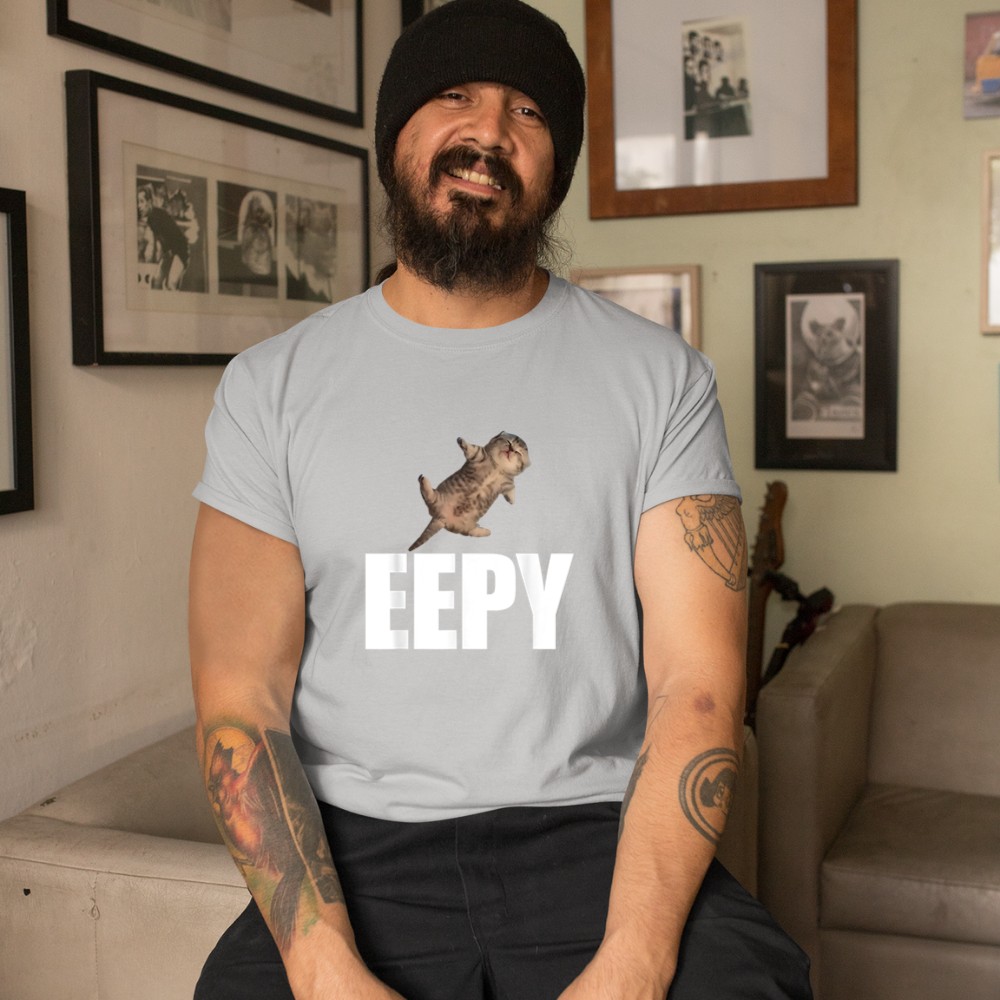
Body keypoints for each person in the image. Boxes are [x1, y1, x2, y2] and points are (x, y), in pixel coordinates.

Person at [188, 2, 813, 999]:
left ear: (555, 168)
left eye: (527, 111)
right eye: (453, 97)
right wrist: (321, 967)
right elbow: (240, 697)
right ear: (395, 138)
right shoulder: (270, 387)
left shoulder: (662, 379)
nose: (488, 132)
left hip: (595, 831)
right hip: (356, 844)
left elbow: (696, 685)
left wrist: (635, 961)